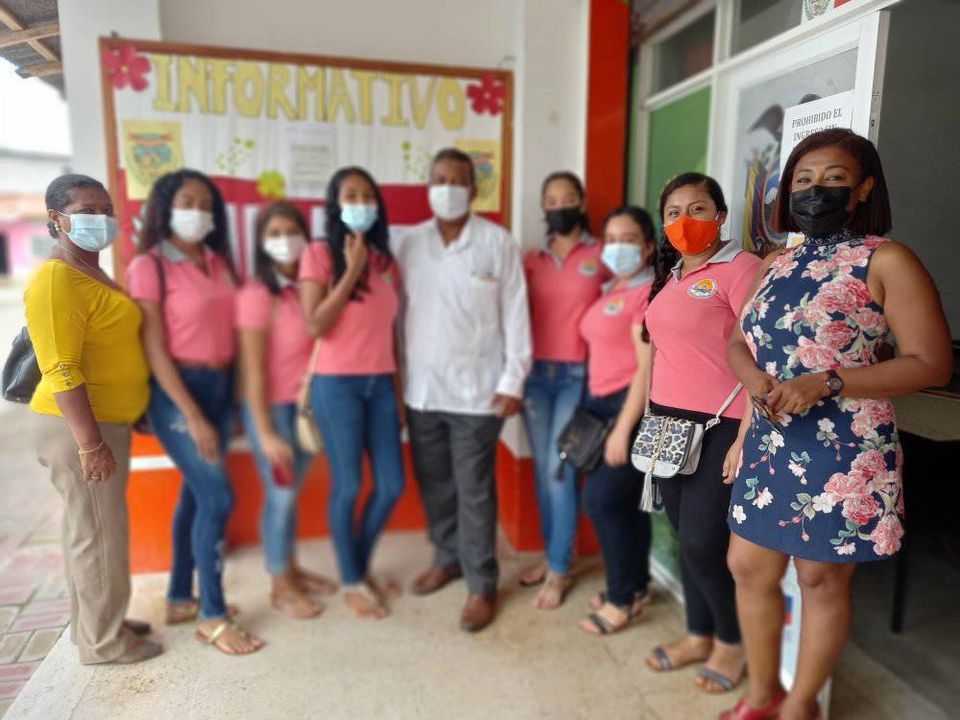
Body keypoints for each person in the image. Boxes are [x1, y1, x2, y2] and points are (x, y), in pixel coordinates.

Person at [721, 129, 952, 720]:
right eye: (803, 180)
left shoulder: (887, 259)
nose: (814, 190)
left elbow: (930, 362)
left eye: (833, 179)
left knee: (820, 579)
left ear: (864, 187)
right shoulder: (776, 261)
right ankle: (760, 694)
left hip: (844, 446)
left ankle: (799, 705)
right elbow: (737, 339)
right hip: (771, 435)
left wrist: (827, 381)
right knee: (747, 566)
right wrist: (752, 381)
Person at [393, 148, 532, 632]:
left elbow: (516, 313)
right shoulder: (409, 244)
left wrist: (514, 379)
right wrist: (397, 381)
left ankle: (481, 584)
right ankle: (447, 557)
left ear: (474, 190)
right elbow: (394, 315)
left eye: (457, 180)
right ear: (428, 187)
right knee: (435, 483)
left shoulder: (497, 242)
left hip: (479, 393)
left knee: (474, 490)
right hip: (422, 391)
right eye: (440, 179)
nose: (448, 188)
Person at [25, 174, 161, 664]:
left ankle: (96, 626)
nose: (100, 219)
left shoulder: (89, 270)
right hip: (80, 429)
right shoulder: (57, 278)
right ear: (56, 219)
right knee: (99, 536)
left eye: (106, 210)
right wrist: (90, 444)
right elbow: (60, 368)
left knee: (88, 532)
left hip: (102, 423)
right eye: (86, 211)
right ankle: (105, 644)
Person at [128, 169, 263, 655]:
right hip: (176, 391)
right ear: (166, 208)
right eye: (188, 202)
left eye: (207, 205)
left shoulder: (218, 262)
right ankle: (213, 615)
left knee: (196, 493)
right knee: (217, 497)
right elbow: (154, 348)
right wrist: (193, 414)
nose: (198, 212)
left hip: (219, 386)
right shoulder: (149, 265)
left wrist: (233, 399)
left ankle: (181, 598)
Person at [642, 173, 760, 693]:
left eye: (697, 209)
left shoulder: (742, 268)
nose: (684, 221)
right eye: (673, 212)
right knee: (683, 537)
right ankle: (697, 633)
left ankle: (731, 642)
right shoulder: (671, 275)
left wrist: (744, 437)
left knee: (703, 541)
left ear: (720, 216)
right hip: (666, 425)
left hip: (721, 425)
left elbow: (760, 354)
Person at [299, 166, 405, 619]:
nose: (360, 203)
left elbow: (392, 332)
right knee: (348, 485)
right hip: (336, 384)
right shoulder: (319, 253)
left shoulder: (387, 262)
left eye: (368, 196)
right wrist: (352, 270)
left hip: (381, 384)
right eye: (350, 196)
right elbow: (315, 324)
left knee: (392, 484)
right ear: (335, 204)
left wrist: (398, 391)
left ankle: (358, 567)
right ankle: (351, 580)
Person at [236, 201, 337, 620]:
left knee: (290, 493)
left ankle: (292, 569)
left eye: (292, 231)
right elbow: (252, 369)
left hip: (305, 411)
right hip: (272, 411)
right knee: (279, 495)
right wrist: (264, 432)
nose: (285, 240)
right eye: (274, 233)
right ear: (261, 242)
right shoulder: (257, 294)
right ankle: (280, 584)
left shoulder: (310, 288)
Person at [520, 171, 608, 609]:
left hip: (578, 375)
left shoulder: (602, 254)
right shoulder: (531, 259)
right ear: (543, 207)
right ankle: (553, 553)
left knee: (561, 469)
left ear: (581, 201)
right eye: (551, 200)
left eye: (567, 197)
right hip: (536, 376)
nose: (559, 206)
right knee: (543, 470)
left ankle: (558, 567)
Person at [576, 206, 656, 635]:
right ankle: (636, 587)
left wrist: (624, 429)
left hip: (628, 408)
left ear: (648, 247)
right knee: (623, 503)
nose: (618, 247)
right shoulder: (613, 287)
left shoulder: (645, 294)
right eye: (611, 239)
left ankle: (621, 598)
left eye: (629, 240)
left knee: (602, 501)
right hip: (600, 405)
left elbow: (646, 369)